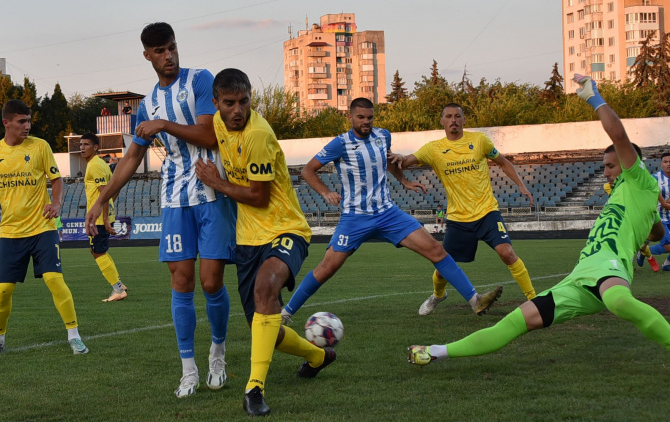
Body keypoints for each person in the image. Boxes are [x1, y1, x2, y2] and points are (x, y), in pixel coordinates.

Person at [407, 75, 670, 388]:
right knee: (515, 321)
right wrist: (650, 230)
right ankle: (434, 352)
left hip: (610, 270)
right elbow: (653, 229)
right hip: (581, 278)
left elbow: (619, 136)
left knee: (620, 302)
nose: (606, 172)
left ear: (627, 163)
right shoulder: (632, 197)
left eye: (610, 165)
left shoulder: (639, 181)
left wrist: (593, 97)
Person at [85, 22, 236, 398]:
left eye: (171, 48)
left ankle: (218, 352)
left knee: (211, 282)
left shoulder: (201, 80)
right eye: (159, 51)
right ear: (147, 55)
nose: (168, 57)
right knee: (181, 282)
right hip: (174, 198)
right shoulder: (147, 104)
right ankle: (189, 370)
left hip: (212, 192)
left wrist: (165, 124)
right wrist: (102, 199)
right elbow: (132, 157)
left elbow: (210, 134)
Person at [281, 97, 503, 326]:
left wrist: (404, 181)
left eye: (370, 117)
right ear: (350, 117)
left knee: (436, 250)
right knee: (326, 268)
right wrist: (326, 192)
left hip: (388, 214)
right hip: (355, 218)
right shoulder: (340, 143)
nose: (366, 122)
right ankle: (286, 313)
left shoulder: (382, 136)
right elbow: (308, 170)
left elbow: (387, 161)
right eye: (361, 118)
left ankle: (475, 300)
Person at [194, 68, 334, 417]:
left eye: (244, 102)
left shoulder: (257, 134)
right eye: (229, 103)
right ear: (216, 104)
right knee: (263, 322)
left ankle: (254, 389)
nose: (238, 110)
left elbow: (257, 196)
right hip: (247, 239)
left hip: (286, 229)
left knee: (265, 285)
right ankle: (317, 355)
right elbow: (198, 130)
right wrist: (160, 126)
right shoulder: (217, 124)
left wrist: (216, 181)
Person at [389, 103, 537, 315]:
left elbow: (503, 163)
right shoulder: (433, 149)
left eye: (457, 116)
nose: (453, 120)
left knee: (507, 253)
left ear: (464, 119)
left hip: (487, 212)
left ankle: (534, 298)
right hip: (459, 219)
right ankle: (438, 295)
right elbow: (405, 161)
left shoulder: (479, 141)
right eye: (448, 116)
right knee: (442, 267)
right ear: (442, 121)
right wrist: (399, 161)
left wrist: (521, 185)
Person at [0, 99, 88, 356]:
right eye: (22, 121)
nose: (27, 126)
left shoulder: (40, 147)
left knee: (54, 280)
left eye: (29, 121)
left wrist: (56, 203)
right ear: (6, 123)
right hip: (11, 232)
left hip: (42, 227)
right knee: (3, 290)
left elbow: (56, 179)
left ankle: (74, 335)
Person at [80, 132, 127, 301]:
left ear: (95, 147)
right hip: (101, 216)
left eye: (86, 144)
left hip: (99, 218)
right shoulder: (100, 163)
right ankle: (119, 284)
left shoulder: (95, 165)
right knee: (98, 251)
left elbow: (104, 193)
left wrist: (105, 219)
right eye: (81, 144)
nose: (82, 148)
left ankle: (118, 289)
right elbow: (113, 189)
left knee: (98, 252)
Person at [638, 153, 670, 272]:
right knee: (669, 246)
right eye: (665, 162)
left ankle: (667, 265)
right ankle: (643, 251)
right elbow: (653, 193)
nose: (668, 164)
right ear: (661, 164)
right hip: (658, 216)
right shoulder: (655, 177)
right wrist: (664, 204)